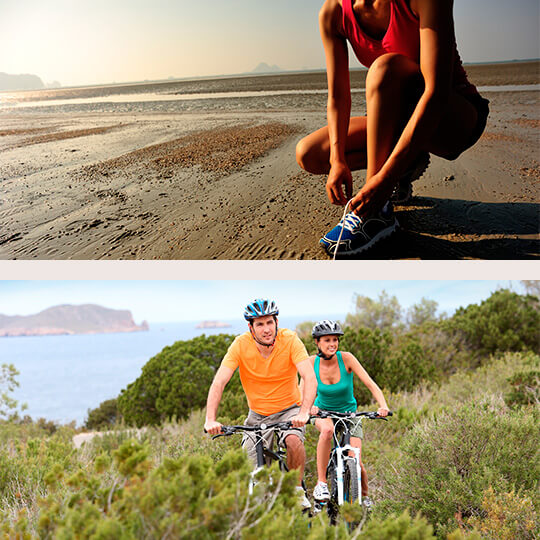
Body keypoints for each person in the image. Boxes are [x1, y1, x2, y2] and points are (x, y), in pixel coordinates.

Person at [296, 0, 490, 257]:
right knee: (310, 153)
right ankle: (409, 164)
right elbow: (338, 96)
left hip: (453, 117)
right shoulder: (333, 13)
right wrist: (337, 159)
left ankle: (376, 214)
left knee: (384, 68)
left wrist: (385, 180)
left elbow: (436, 92)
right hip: (396, 119)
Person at [204, 299, 317, 509]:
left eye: (269, 323)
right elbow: (219, 382)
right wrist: (210, 418)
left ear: (276, 322)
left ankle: (295, 489)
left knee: (293, 440)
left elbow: (309, 378)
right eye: (260, 324)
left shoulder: (290, 340)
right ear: (251, 327)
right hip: (257, 415)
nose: (266, 329)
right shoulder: (240, 344)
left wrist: (304, 412)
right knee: (252, 470)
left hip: (289, 410)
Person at [307, 320, 389, 508]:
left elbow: (370, 384)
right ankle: (321, 484)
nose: (332, 344)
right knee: (327, 431)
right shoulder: (311, 363)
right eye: (327, 340)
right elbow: (300, 392)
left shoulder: (347, 359)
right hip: (322, 412)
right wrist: (309, 407)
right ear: (317, 343)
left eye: (335, 340)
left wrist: (382, 405)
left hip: (348, 413)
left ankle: (365, 497)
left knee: (355, 459)